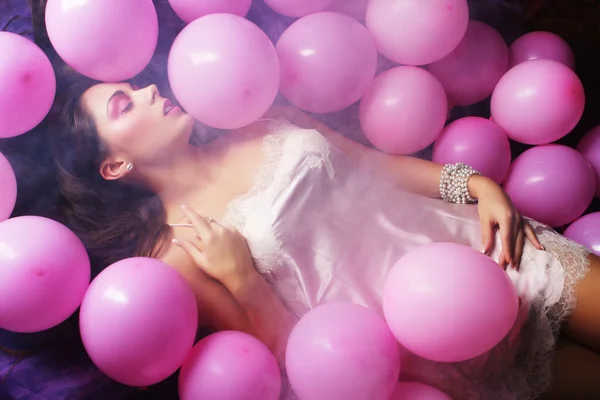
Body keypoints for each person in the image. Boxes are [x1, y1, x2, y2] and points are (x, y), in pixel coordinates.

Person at [46, 78, 600, 400]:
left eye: (137, 85)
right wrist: (241, 276)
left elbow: (383, 169)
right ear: (115, 165)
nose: (148, 89)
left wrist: (479, 186)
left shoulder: (261, 122)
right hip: (446, 345)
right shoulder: (176, 258)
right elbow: (288, 363)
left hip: (490, 250)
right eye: (124, 105)